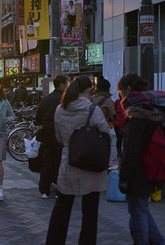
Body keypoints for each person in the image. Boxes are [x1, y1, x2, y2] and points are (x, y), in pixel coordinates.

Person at [45, 76, 110, 245]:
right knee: (90, 213)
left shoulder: (61, 109)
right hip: (92, 166)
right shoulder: (92, 110)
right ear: (88, 91)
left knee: (62, 209)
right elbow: (106, 134)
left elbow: (59, 138)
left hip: (69, 164)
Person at [117, 73, 165, 245]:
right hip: (154, 165)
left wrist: (124, 175)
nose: (120, 98)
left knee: (138, 211)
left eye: (120, 93)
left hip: (139, 169)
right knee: (141, 208)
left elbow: (131, 148)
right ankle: (157, 241)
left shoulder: (137, 111)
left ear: (128, 89)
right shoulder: (155, 104)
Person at [35, 75, 68, 199]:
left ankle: (44, 190)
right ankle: (59, 190)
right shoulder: (64, 99)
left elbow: (38, 117)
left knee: (46, 161)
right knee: (59, 161)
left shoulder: (46, 99)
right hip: (60, 134)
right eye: (66, 84)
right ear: (61, 85)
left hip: (47, 133)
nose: (67, 86)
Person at [113, 93, 126, 159]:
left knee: (119, 139)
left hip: (118, 125)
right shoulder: (127, 102)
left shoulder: (117, 102)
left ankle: (119, 153)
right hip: (123, 125)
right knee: (124, 140)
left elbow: (113, 112)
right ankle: (122, 153)